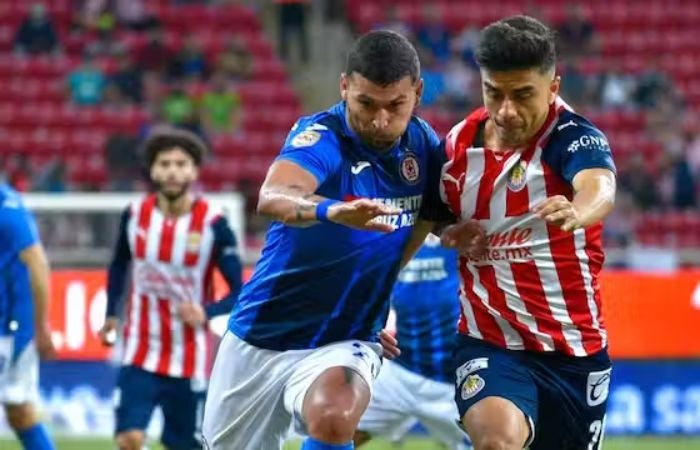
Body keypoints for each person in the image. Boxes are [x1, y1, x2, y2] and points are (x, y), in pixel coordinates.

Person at [202, 30, 481, 450]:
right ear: (344, 87)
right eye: (366, 104)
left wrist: (383, 292)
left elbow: (430, 221)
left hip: (347, 337)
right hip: (262, 335)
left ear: (418, 93)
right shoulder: (322, 136)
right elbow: (274, 195)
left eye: (395, 106)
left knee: (335, 417)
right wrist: (330, 210)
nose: (380, 120)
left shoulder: (424, 148)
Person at [439, 16, 617, 450]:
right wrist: (447, 231)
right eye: (493, 93)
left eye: (522, 95)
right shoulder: (457, 146)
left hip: (574, 350)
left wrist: (578, 211)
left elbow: (600, 186)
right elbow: (428, 219)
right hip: (490, 342)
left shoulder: (574, 137)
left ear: (553, 87)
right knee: (496, 442)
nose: (506, 111)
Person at [98, 128, 243, 450]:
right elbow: (119, 265)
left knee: (185, 445)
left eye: (181, 163)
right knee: (129, 439)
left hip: (188, 358)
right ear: (152, 170)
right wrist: (111, 314)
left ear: (194, 170)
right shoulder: (135, 215)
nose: (173, 171)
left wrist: (206, 312)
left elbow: (240, 291)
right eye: (164, 163)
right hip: (139, 350)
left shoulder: (213, 224)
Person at [354, 234, 471, 450]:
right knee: (339, 427)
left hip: (456, 382)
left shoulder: (458, 239)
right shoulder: (392, 242)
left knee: (494, 441)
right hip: (401, 371)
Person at [0, 182, 57, 450]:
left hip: (9, 327)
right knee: (19, 411)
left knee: (20, 409)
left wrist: (41, 326)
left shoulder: (7, 207)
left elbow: (37, 262)